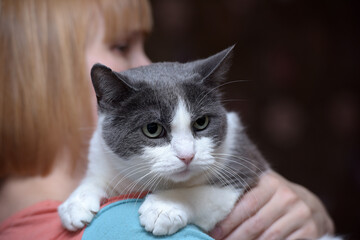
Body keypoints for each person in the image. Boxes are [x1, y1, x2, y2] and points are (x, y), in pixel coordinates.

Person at [0, 0, 335, 239]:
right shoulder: (127, 229)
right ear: (42, 71)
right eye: (121, 45)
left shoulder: (17, 222)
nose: (145, 61)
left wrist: (317, 218)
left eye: (201, 124)